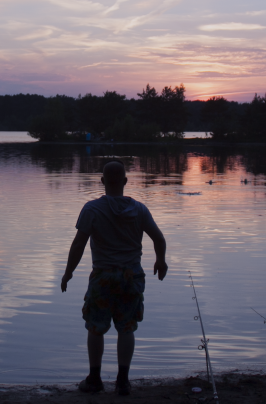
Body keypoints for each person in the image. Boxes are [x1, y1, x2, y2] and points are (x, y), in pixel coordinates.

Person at [61, 159, 168, 396]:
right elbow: (159, 239)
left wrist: (68, 272)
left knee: (96, 328)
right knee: (126, 328)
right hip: (132, 276)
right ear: (125, 182)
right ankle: (122, 382)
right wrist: (160, 261)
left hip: (103, 277)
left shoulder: (92, 209)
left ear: (102, 182)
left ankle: (95, 379)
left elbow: (78, 244)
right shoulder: (139, 209)